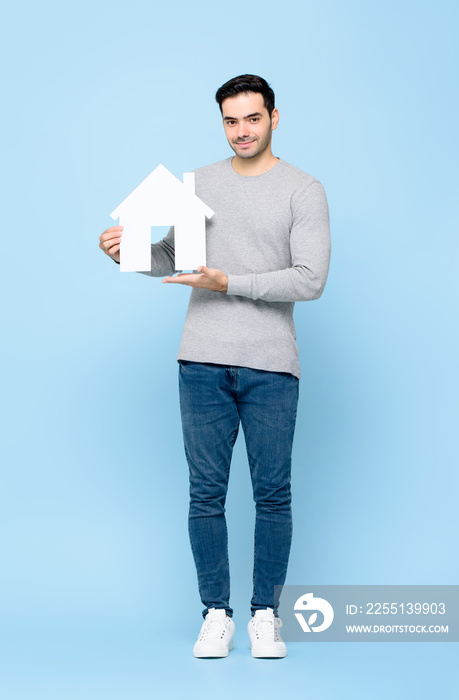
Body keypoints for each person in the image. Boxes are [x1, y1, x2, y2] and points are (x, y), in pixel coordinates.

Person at [99, 74, 331, 659]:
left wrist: (230, 281)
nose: (242, 131)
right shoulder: (198, 183)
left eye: (252, 119)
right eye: (231, 121)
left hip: (272, 364)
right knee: (206, 493)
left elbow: (310, 280)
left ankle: (265, 616)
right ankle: (215, 613)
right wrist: (129, 254)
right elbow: (178, 262)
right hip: (200, 359)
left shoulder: (304, 190)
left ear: (275, 118)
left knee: (271, 494)